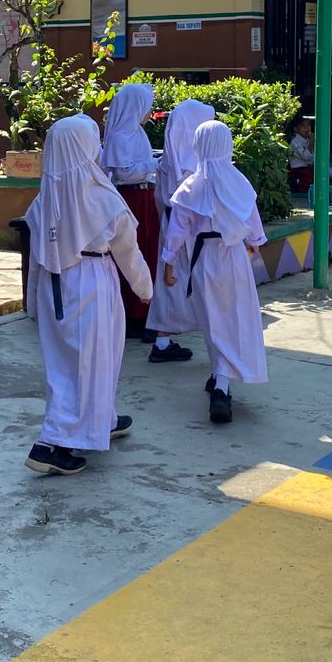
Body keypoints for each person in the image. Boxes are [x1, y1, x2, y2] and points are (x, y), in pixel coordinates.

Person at [24, 116, 154, 476]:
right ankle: (52, 443)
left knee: (67, 362)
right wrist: (145, 289)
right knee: (92, 361)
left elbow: (36, 257)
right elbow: (128, 250)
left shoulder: (46, 198)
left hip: (55, 289)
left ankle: (101, 419)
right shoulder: (100, 196)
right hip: (92, 283)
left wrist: (33, 304)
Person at [160, 120, 268, 425]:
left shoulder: (191, 186)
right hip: (234, 258)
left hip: (204, 261)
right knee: (234, 319)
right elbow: (255, 233)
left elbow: (176, 233)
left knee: (213, 320)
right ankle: (221, 382)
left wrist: (169, 266)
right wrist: (251, 246)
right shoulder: (239, 183)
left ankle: (220, 379)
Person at [145, 98, 215, 364]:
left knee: (171, 285)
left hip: (174, 231)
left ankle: (162, 341)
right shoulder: (193, 164)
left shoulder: (169, 159)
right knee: (193, 286)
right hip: (192, 236)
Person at [100, 81, 160, 335]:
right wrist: (154, 164)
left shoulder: (137, 132)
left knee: (148, 249)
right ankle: (133, 314)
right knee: (133, 250)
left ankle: (147, 311)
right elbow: (124, 173)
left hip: (145, 197)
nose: (149, 112)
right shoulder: (120, 136)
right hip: (131, 198)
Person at [287, 117, 316, 193]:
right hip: (299, 170)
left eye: (308, 125)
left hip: (309, 167)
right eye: (303, 126)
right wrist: (311, 143)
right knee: (308, 184)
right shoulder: (295, 141)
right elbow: (306, 157)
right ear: (296, 129)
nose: (306, 128)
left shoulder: (308, 139)